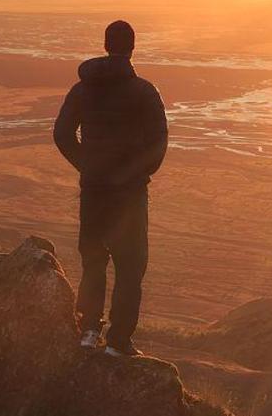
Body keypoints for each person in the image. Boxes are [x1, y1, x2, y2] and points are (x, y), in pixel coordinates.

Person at [53, 20, 168, 357]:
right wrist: (137, 174)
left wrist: (87, 166)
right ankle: (118, 343)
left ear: (105, 46)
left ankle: (88, 330)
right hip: (130, 195)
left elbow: (61, 134)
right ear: (132, 48)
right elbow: (159, 142)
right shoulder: (145, 91)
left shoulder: (83, 88)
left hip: (93, 191)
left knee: (93, 260)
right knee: (130, 267)